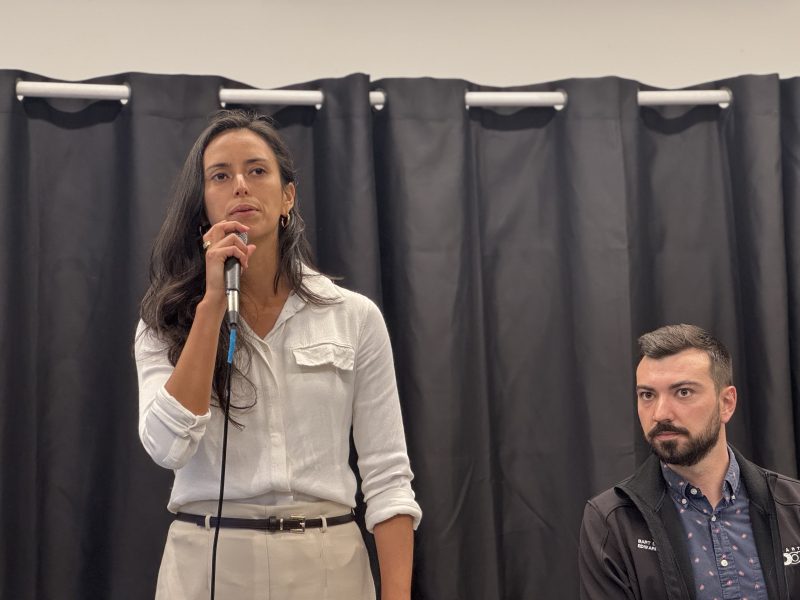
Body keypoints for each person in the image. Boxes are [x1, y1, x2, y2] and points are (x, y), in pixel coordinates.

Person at [135, 109, 421, 600]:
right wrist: (208, 308)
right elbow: (166, 447)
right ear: (203, 204)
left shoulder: (352, 315)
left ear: (287, 196)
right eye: (220, 176)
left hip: (327, 561)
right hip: (208, 561)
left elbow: (388, 478)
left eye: (257, 170)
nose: (241, 186)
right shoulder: (164, 321)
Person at [579, 323, 800, 599]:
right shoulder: (612, 521)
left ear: (726, 403)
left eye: (683, 392)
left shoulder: (793, 506)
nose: (660, 413)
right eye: (647, 395)